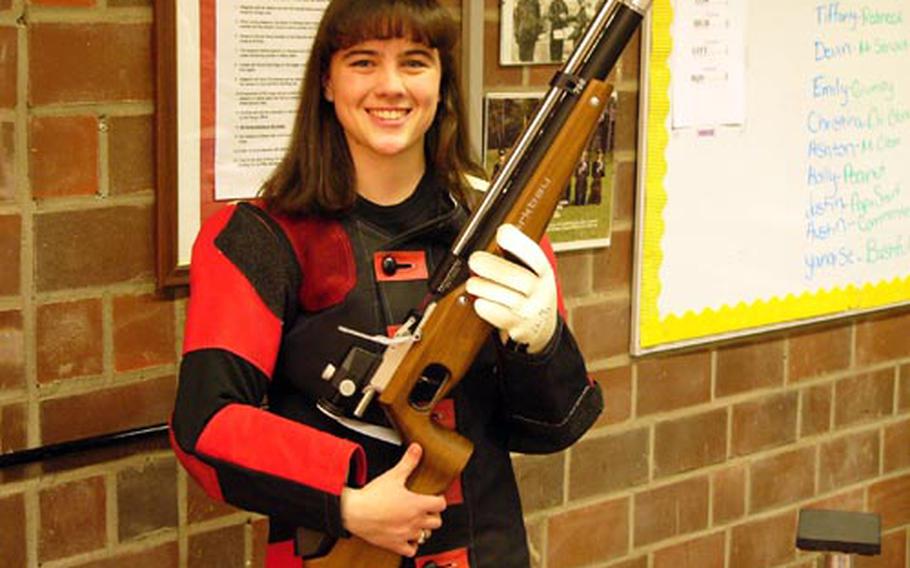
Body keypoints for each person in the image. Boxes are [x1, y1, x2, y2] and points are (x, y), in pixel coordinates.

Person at [169, 1, 602, 567]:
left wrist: (543, 343)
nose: (391, 86)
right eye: (364, 62)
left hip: (488, 549)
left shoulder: (502, 231)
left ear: (442, 81)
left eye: (415, 62)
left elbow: (552, 428)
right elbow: (205, 422)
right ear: (327, 81)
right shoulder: (257, 238)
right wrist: (346, 504)